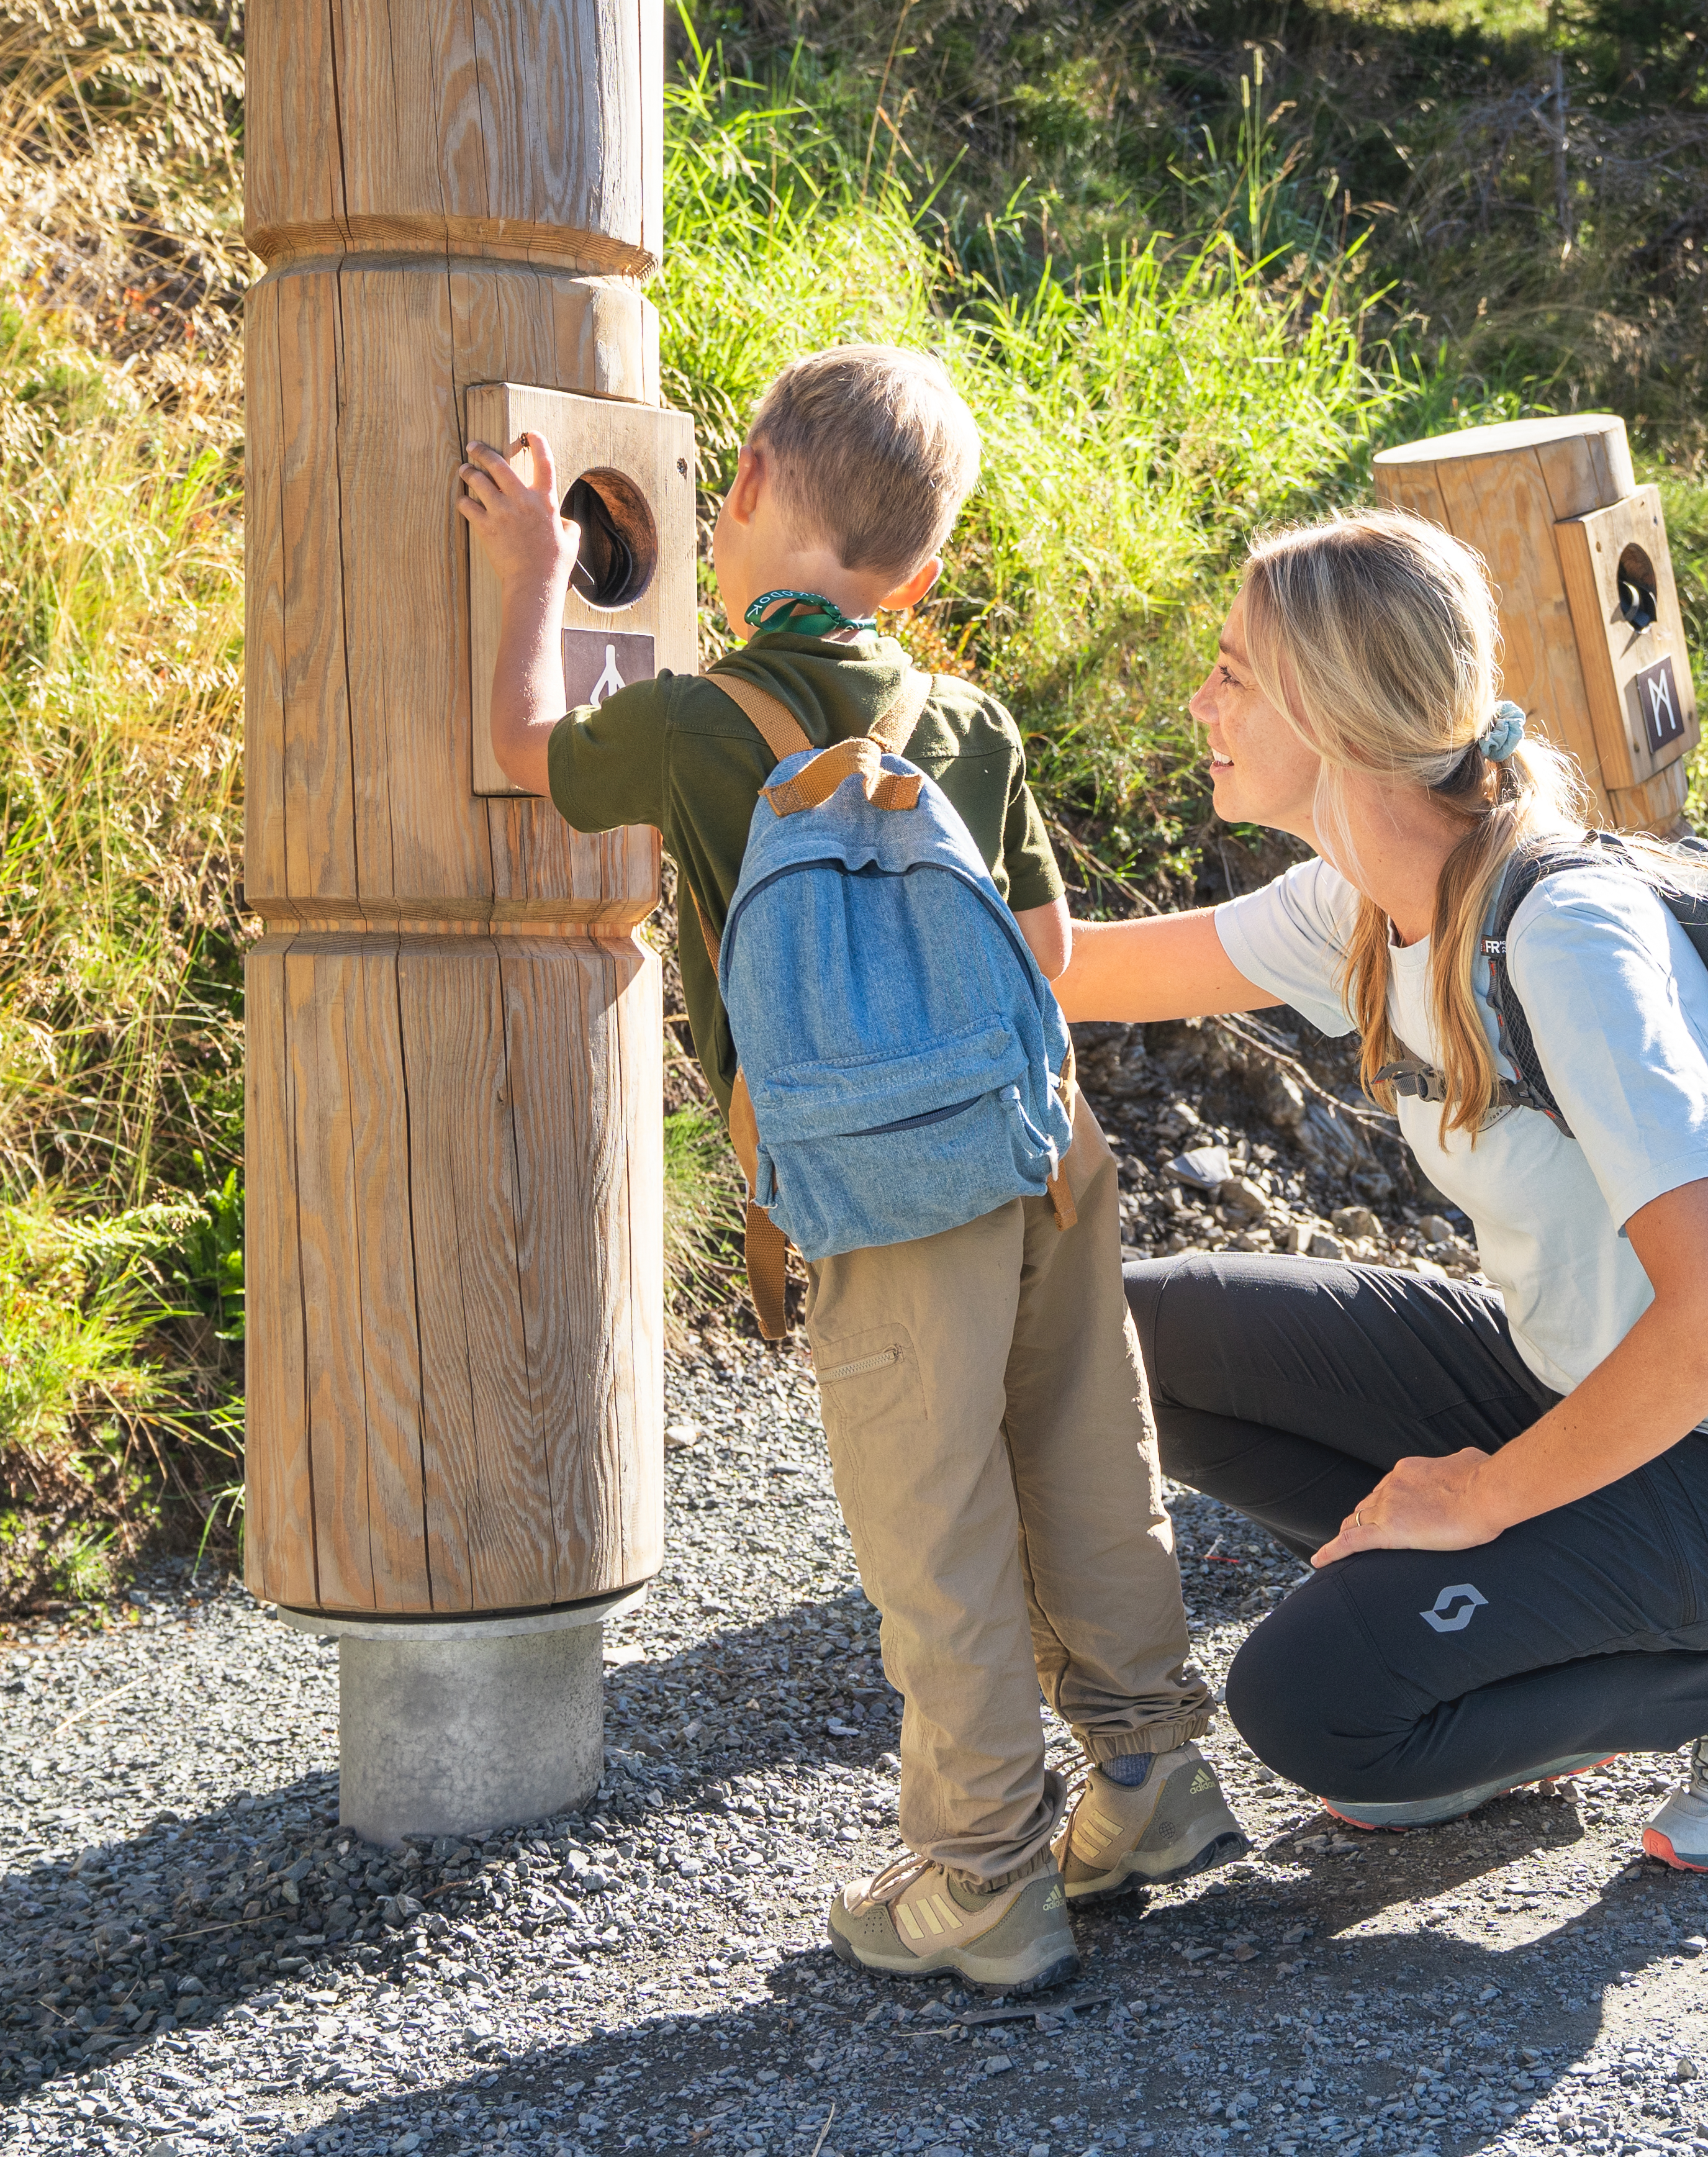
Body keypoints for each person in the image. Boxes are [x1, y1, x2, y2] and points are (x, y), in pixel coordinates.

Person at [458, 345, 1240, 1992]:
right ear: (927, 574)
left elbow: (529, 745)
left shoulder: (690, 725)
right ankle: (1154, 1774)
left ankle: (981, 1876)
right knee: (1093, 1453)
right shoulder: (968, 717)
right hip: (1043, 1144)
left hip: (891, 1191)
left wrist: (534, 568)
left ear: (733, 491)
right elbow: (1048, 951)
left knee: (934, 1519)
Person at [1055, 510, 1708, 1871]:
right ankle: (1493, 1669)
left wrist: (1489, 1499)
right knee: (1124, 1343)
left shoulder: (1561, 931)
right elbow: (1076, 968)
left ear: (1331, 714)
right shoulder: (1363, 894)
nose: (1201, 699)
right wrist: (862, 820)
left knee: (1309, 1708)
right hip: (1575, 1382)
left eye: (1232, 670)